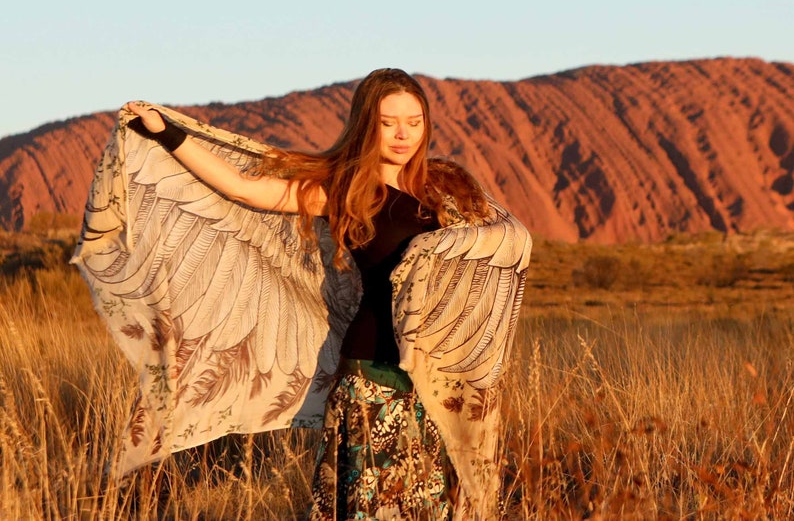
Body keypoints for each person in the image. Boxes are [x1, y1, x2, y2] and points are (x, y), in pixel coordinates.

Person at [74, 68, 532, 520]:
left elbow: (503, 241)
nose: (402, 135)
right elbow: (245, 189)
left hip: (440, 382)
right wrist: (168, 134)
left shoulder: (449, 188)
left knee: (427, 510)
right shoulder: (346, 191)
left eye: (414, 123)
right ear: (366, 126)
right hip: (374, 374)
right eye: (388, 123)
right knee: (374, 511)